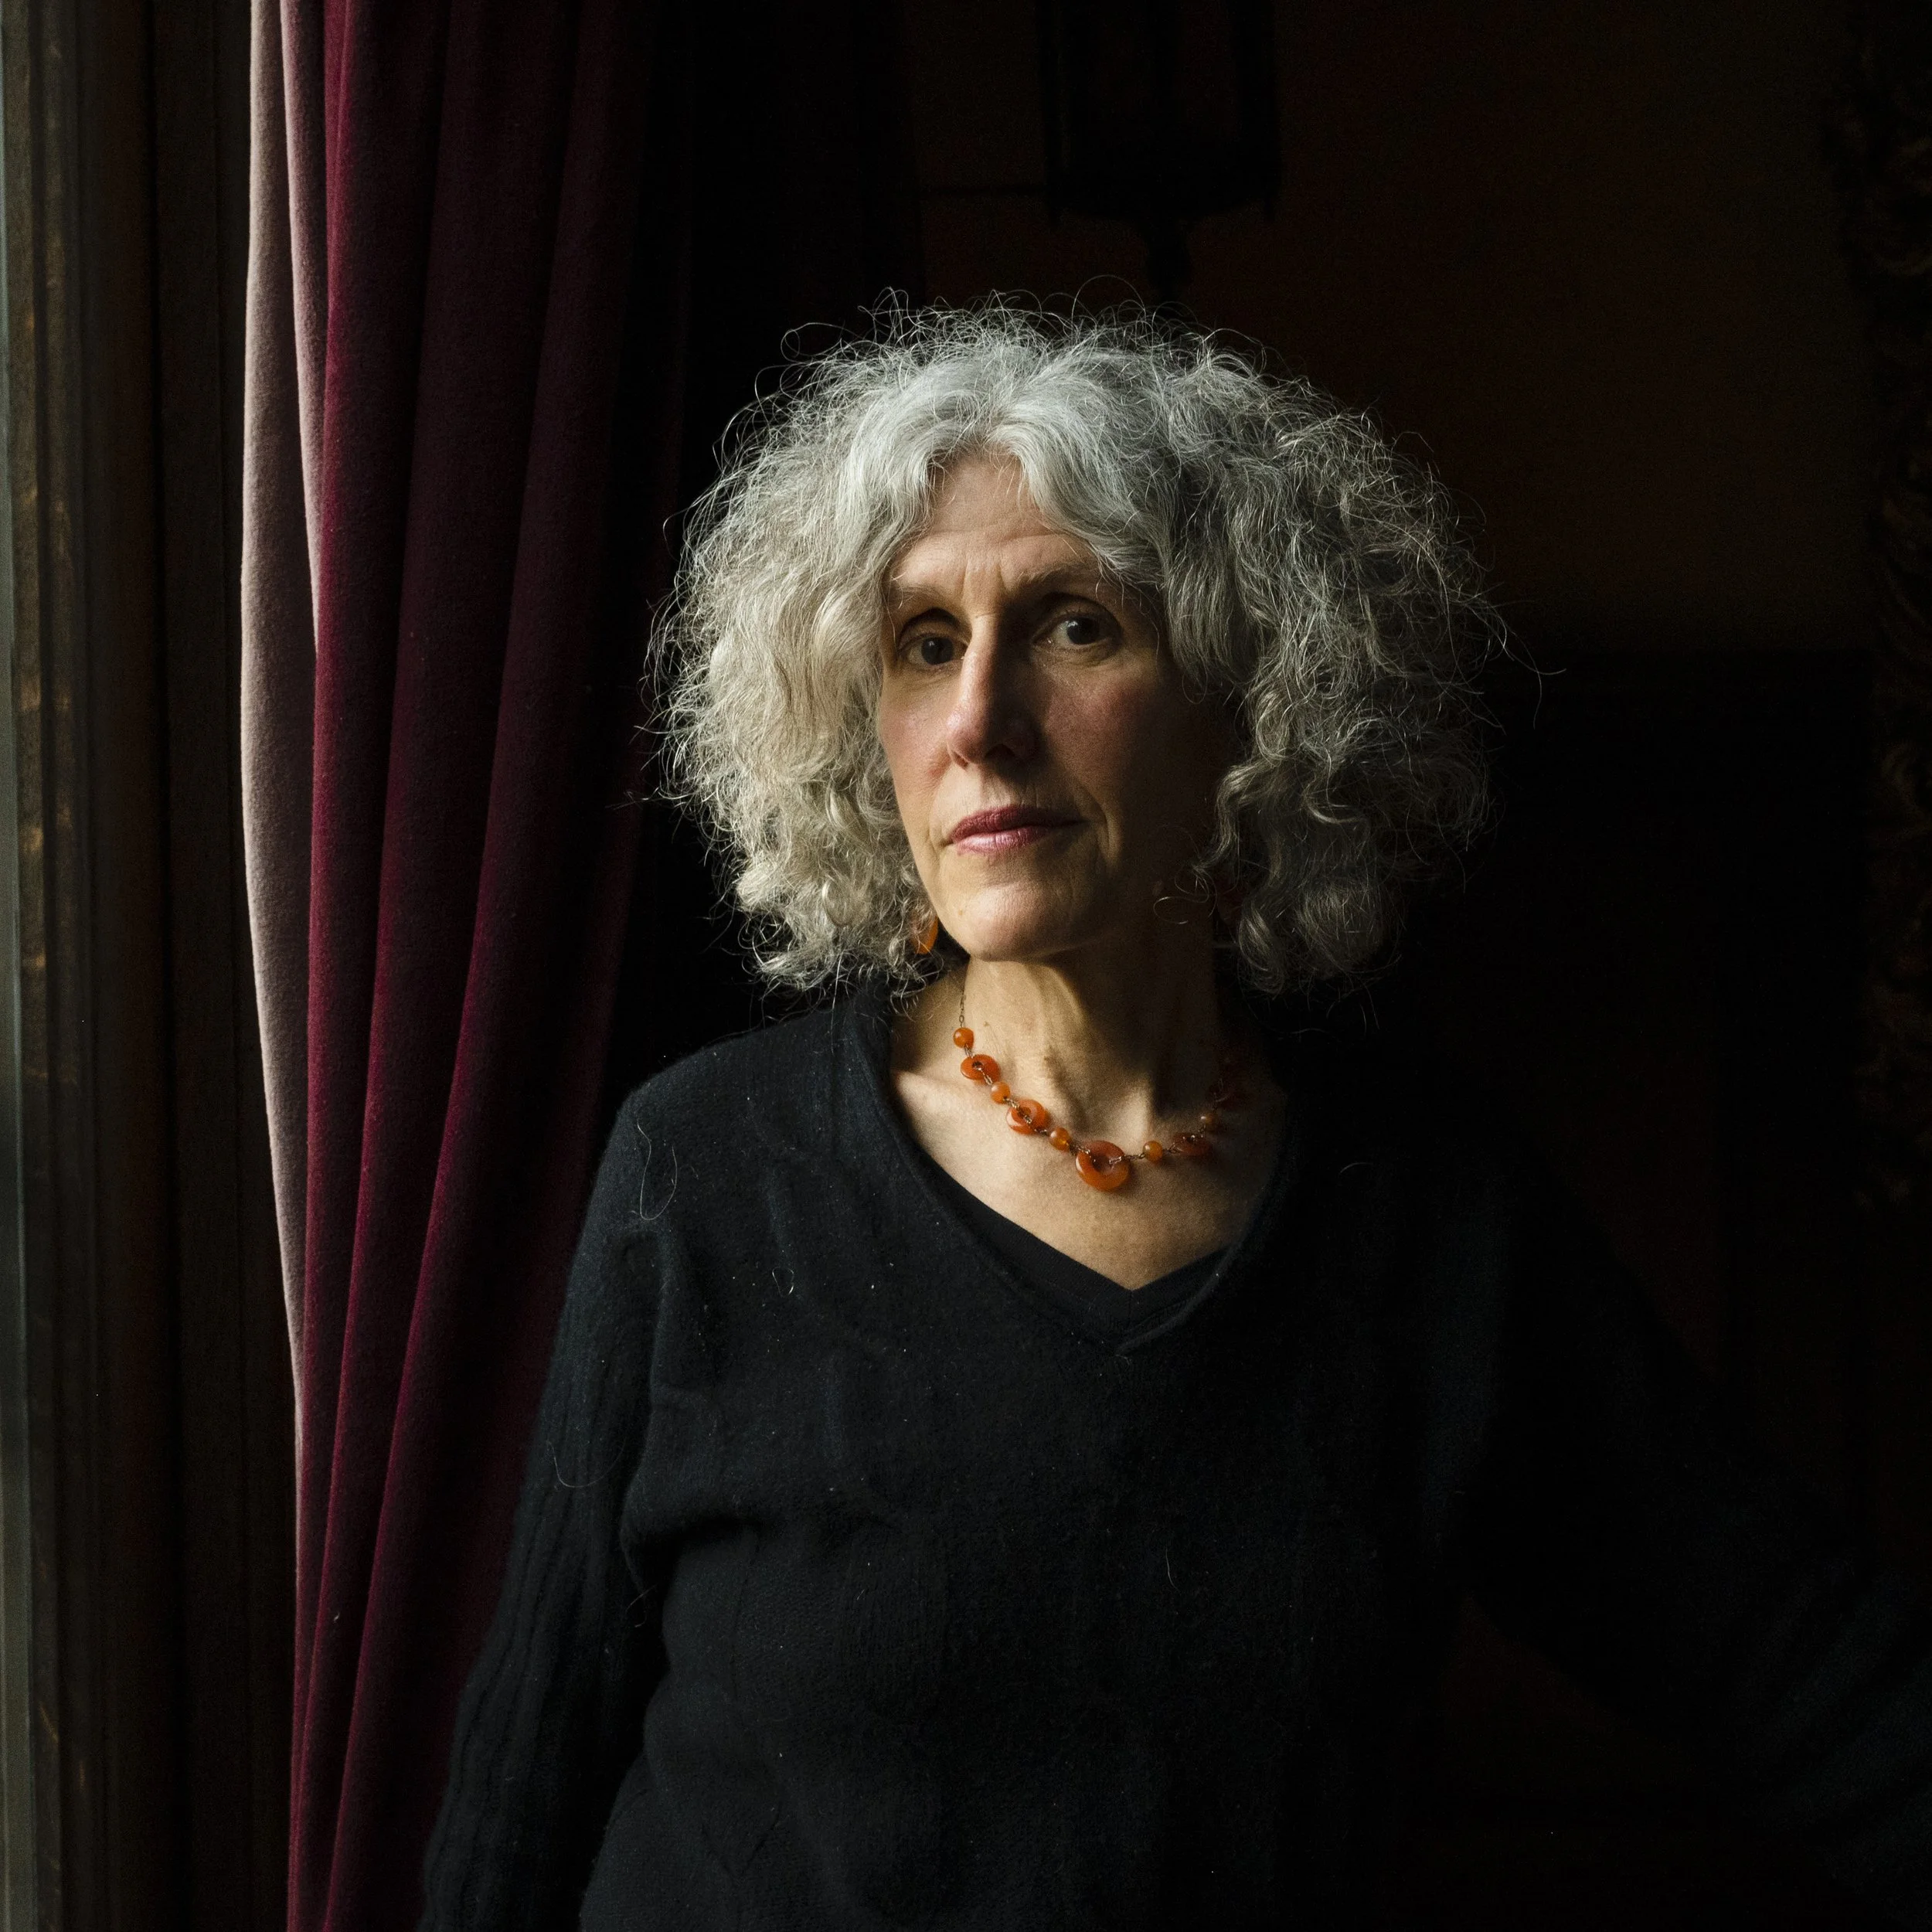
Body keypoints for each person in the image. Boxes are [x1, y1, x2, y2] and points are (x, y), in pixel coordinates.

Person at [420, 306, 1932, 1930]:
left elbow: (1805, 1669)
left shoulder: (1430, 1218)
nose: (977, 720)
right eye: (922, 642)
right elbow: (520, 1800)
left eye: (1073, 626)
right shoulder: (704, 1171)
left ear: (1247, 696)